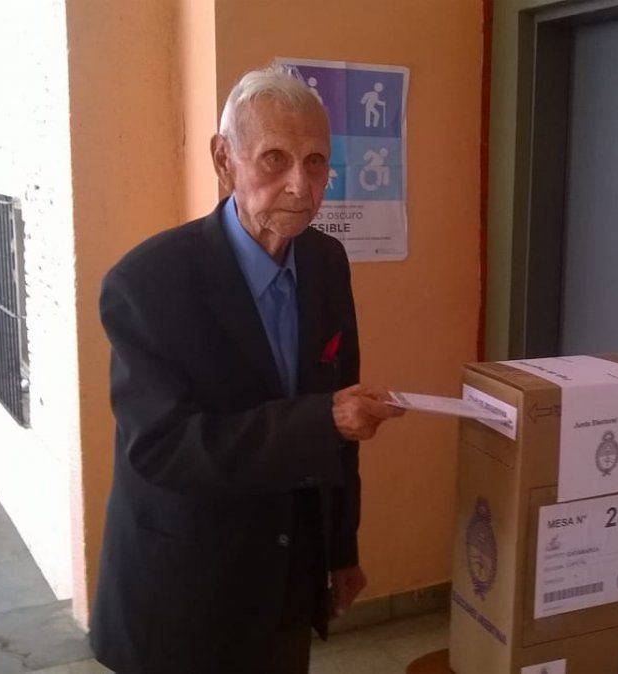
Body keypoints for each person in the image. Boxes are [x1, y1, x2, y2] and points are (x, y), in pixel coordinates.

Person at [90, 68, 404, 673]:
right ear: (224, 159)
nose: (300, 185)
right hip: (184, 591)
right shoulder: (147, 283)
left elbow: (340, 431)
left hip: (286, 582)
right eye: (274, 159)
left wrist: (340, 549)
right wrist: (322, 420)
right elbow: (162, 447)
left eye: (316, 162)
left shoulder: (326, 262)